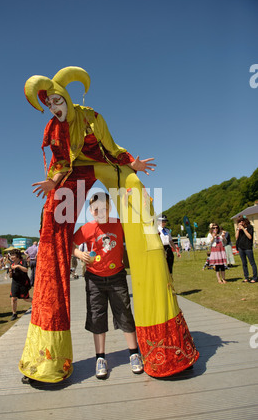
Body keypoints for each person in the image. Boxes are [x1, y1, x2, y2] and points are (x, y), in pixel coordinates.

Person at [19, 66, 198, 383]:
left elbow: (111, 147)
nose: (55, 108)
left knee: (139, 203)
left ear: (69, 97)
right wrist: (53, 182)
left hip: (105, 165)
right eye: (49, 104)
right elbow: (60, 162)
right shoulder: (56, 128)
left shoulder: (91, 116)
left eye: (58, 100)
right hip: (72, 176)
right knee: (51, 220)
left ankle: (167, 352)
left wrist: (133, 164)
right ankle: (47, 360)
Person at [73, 192, 143, 378]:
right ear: (91, 211)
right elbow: (70, 243)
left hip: (117, 276)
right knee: (97, 316)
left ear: (110, 208)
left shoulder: (120, 224)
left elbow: (137, 235)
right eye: (96, 210)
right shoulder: (87, 228)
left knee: (124, 313)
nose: (100, 212)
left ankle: (134, 353)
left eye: (104, 209)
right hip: (94, 279)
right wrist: (79, 254)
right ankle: (100, 358)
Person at [9, 249, 32, 320]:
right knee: (13, 298)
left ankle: (37, 304)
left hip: (23, 283)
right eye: (11, 255)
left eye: (13, 255)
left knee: (26, 298)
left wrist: (18, 266)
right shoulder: (11, 264)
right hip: (15, 282)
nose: (11, 257)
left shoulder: (23, 262)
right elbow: (10, 276)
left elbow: (26, 269)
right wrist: (10, 272)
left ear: (17, 256)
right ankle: (14, 313)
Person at [235, 216, 257, 283]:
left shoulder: (250, 227)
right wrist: (238, 229)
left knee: (252, 262)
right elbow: (236, 237)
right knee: (244, 263)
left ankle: (255, 278)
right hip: (241, 247)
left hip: (248, 247)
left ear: (245, 221)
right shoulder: (239, 228)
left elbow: (250, 237)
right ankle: (246, 277)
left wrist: (244, 229)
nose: (241, 223)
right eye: (239, 222)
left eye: (242, 221)